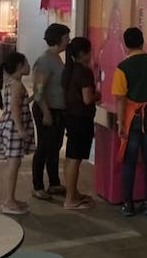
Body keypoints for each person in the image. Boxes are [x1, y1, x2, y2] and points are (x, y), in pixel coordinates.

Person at [112, 27, 147, 217]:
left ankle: (128, 204)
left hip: (132, 119)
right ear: (142, 41)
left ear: (125, 44)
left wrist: (120, 122)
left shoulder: (122, 68)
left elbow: (120, 98)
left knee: (130, 161)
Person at [0, 52, 35, 215]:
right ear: (20, 66)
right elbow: (14, 108)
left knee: (14, 164)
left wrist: (35, 96)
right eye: (26, 63)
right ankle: (8, 201)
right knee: (13, 165)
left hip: (10, 126)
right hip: (14, 128)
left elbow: (20, 103)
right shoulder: (17, 85)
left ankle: (8, 199)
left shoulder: (11, 82)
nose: (29, 66)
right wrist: (21, 129)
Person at [32, 23, 70, 200]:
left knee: (55, 147)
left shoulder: (57, 58)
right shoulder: (45, 60)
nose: (68, 41)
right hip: (47, 110)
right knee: (44, 148)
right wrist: (46, 112)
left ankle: (54, 182)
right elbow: (39, 90)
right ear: (58, 39)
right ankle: (38, 186)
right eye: (66, 37)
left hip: (58, 109)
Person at [62, 37, 100, 210]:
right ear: (83, 53)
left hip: (71, 116)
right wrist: (97, 95)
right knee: (75, 159)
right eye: (90, 51)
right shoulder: (84, 72)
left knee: (71, 157)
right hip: (81, 118)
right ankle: (70, 199)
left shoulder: (69, 70)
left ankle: (72, 193)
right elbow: (87, 99)